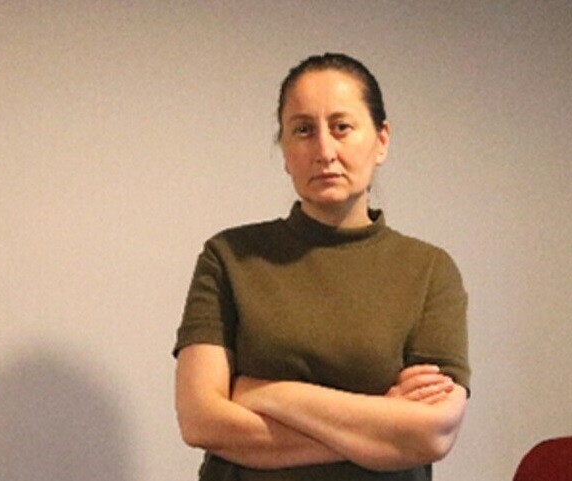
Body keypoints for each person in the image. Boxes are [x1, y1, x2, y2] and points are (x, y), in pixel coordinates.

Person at [173, 52, 470, 481]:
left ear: (381, 140)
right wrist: (380, 427)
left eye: (341, 127)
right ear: (284, 150)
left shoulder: (429, 270)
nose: (324, 151)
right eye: (303, 130)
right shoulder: (229, 257)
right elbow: (201, 420)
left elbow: (430, 434)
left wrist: (268, 393)